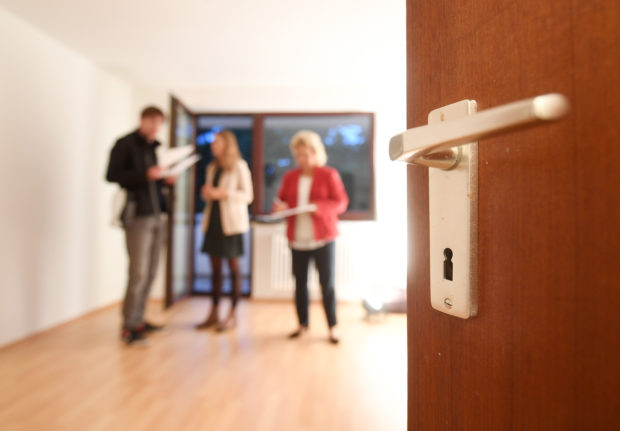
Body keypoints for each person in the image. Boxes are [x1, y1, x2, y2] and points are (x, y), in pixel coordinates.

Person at [106, 106, 175, 346]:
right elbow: (111, 175)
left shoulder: (155, 148)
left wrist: (166, 179)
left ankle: (139, 320)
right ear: (143, 120)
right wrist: (145, 174)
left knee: (152, 271)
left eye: (160, 124)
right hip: (138, 217)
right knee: (139, 272)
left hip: (159, 216)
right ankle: (128, 327)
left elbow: (155, 180)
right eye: (154, 122)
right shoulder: (125, 144)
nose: (157, 128)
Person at [273, 130, 349, 344]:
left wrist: (318, 207)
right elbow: (280, 202)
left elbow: (341, 202)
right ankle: (302, 324)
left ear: (316, 153)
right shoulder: (290, 177)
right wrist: (279, 207)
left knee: (327, 284)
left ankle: (333, 327)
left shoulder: (329, 174)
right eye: (298, 155)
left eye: (305, 155)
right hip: (297, 239)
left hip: (323, 238)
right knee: (300, 284)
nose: (301, 160)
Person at [196, 131, 253, 331]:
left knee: (233, 268)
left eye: (217, 142)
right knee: (216, 270)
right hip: (213, 222)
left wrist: (224, 193)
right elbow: (209, 196)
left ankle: (233, 313)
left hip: (231, 224)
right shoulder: (212, 168)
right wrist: (208, 194)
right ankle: (214, 311)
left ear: (227, 144)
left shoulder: (239, 166)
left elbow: (248, 196)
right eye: (212, 143)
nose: (213, 146)